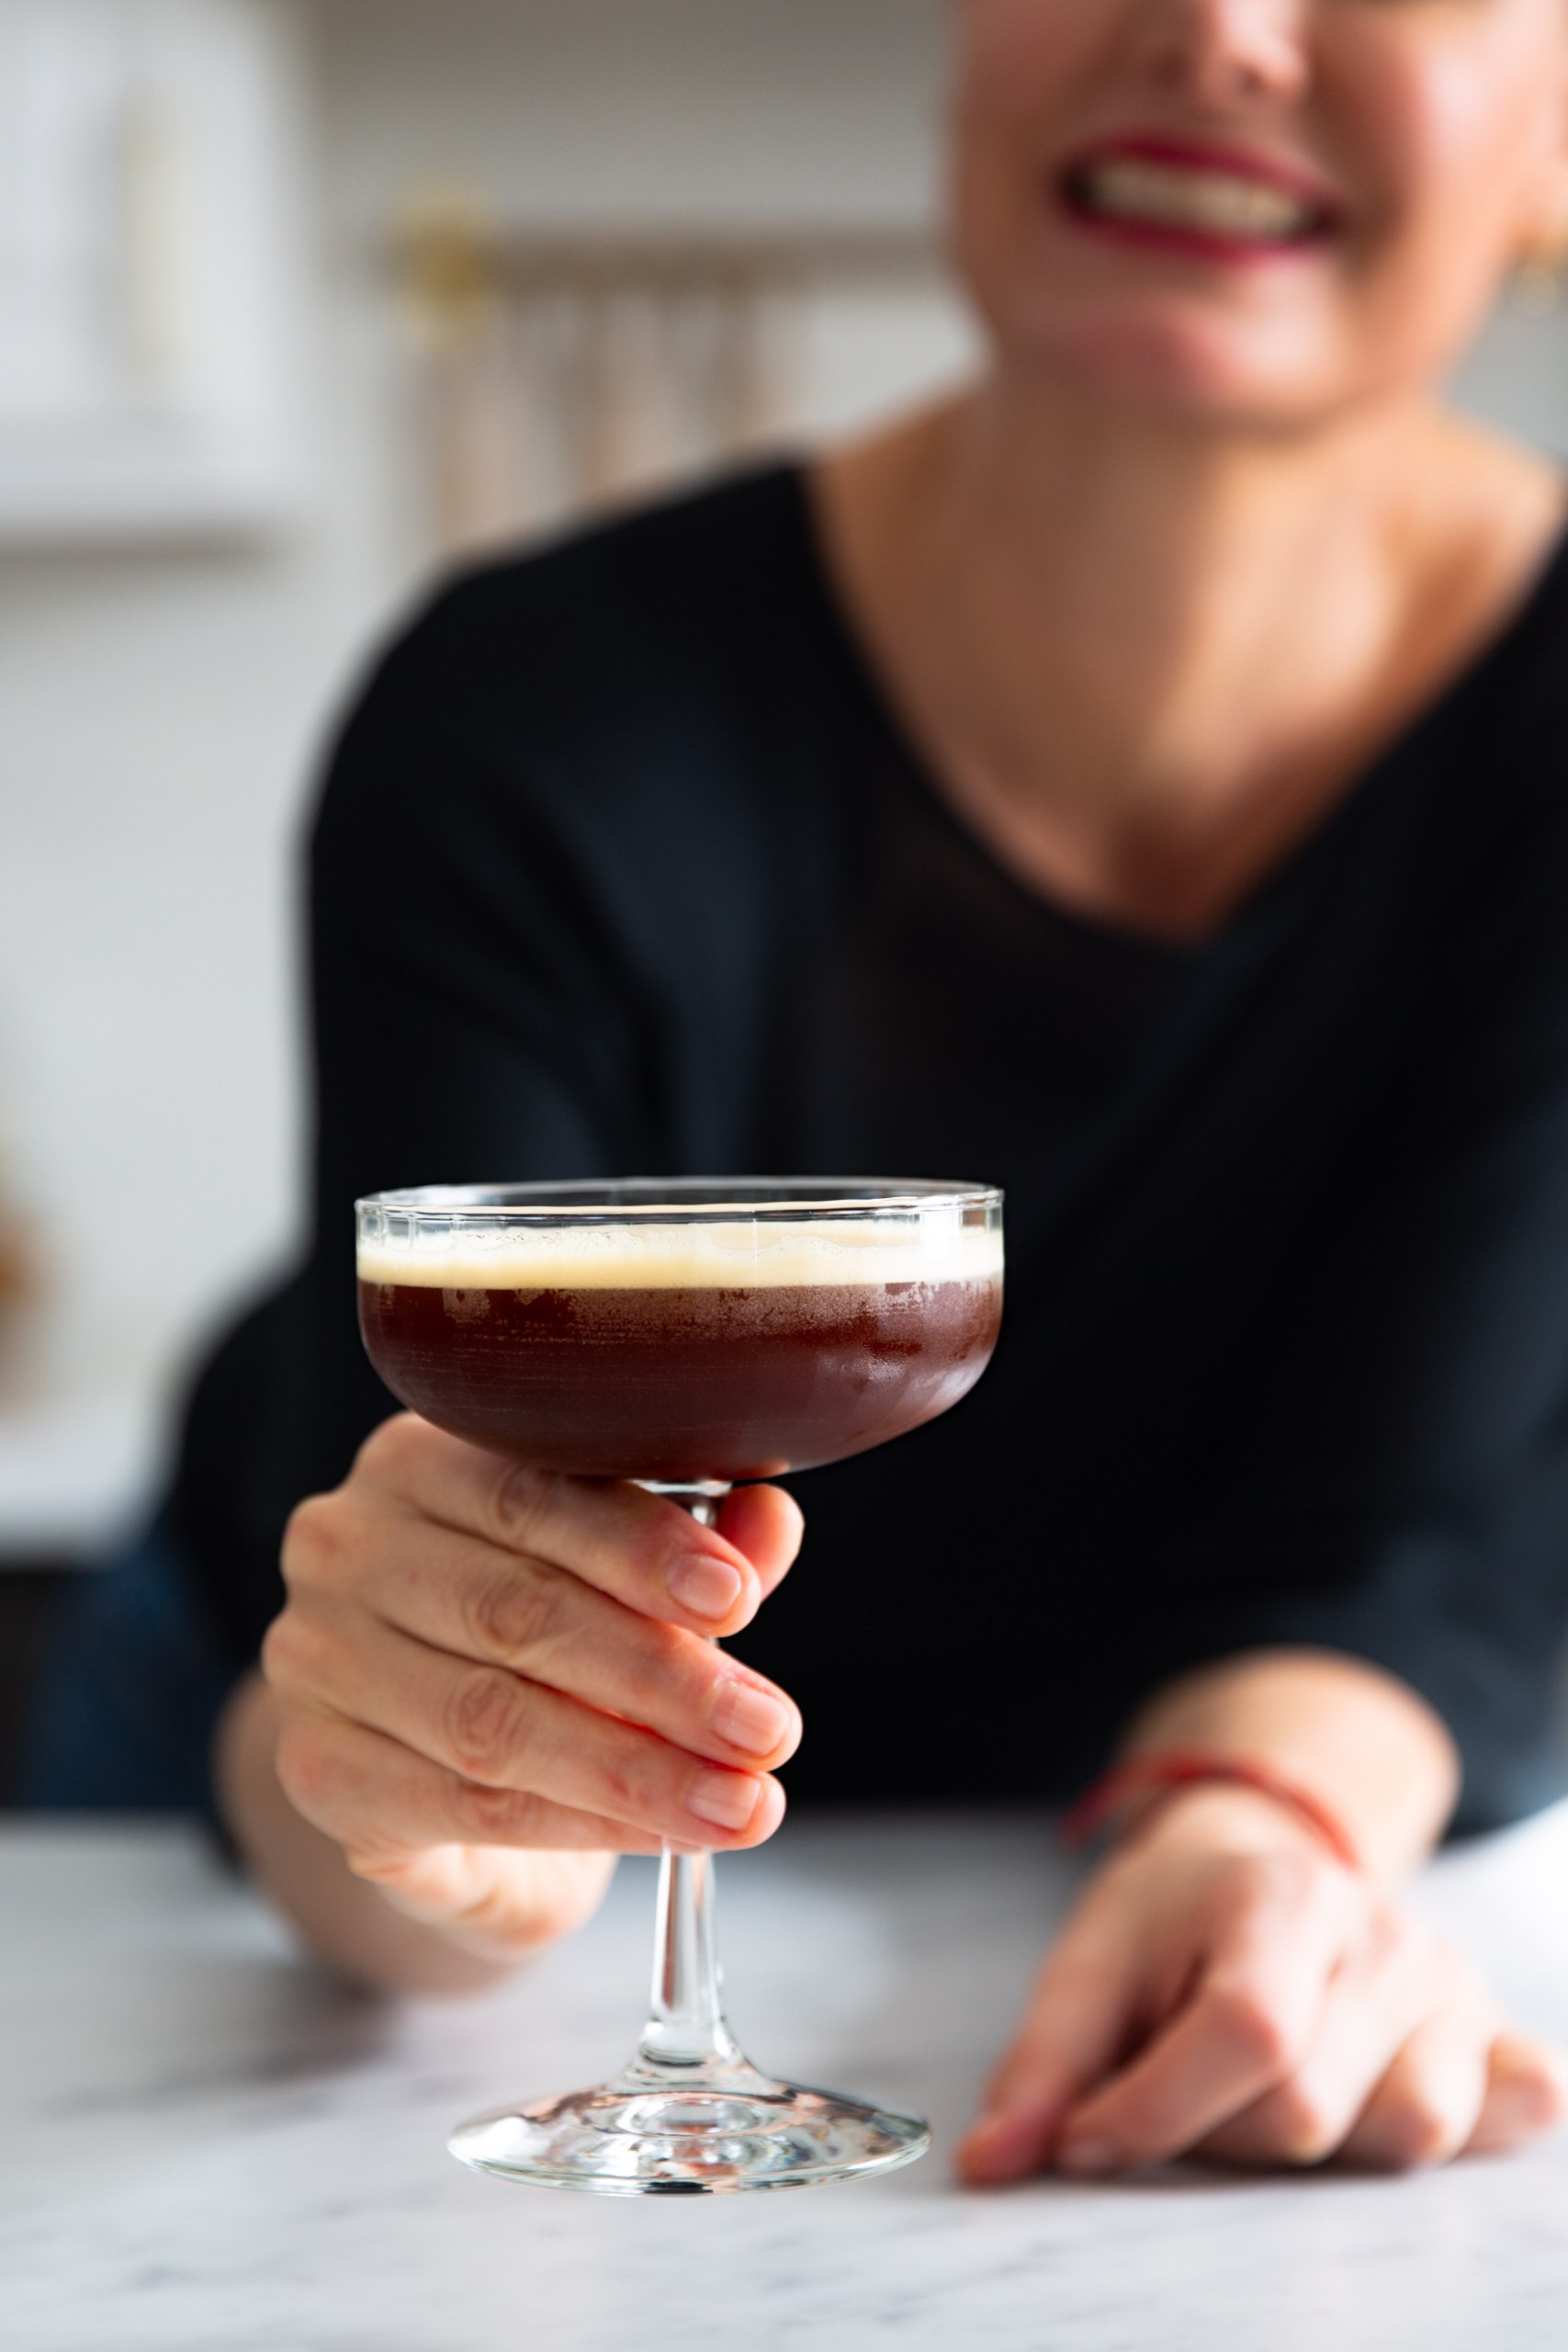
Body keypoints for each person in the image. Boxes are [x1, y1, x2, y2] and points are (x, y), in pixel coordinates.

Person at [27, 0, 1568, 2178]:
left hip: (1164, 1782)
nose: (1221, 33)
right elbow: (403, 1574)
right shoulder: (528, 703)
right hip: (277, 1741)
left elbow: (1419, 1522)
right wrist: (444, 1817)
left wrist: (1263, 1831)